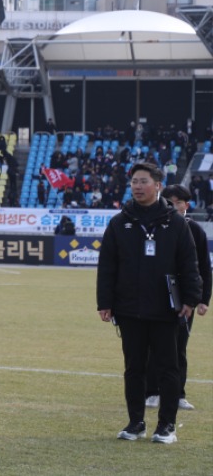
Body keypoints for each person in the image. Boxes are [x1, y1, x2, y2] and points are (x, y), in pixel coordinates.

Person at [96, 162, 201, 444]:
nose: (137, 186)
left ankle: (166, 426)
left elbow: (189, 263)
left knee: (168, 368)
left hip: (166, 310)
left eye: (143, 181)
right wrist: (105, 302)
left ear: (157, 185)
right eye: (134, 182)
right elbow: (107, 265)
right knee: (134, 369)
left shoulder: (175, 222)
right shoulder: (120, 222)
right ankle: (135, 423)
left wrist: (191, 299)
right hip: (129, 309)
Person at [144, 185, 211, 410]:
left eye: (177, 202)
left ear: (186, 204)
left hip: (185, 299)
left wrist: (203, 299)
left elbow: (204, 268)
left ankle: (178, 394)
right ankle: (152, 392)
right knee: (154, 345)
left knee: (179, 346)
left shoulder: (195, 230)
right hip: (157, 296)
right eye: (169, 202)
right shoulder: (155, 228)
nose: (173, 206)